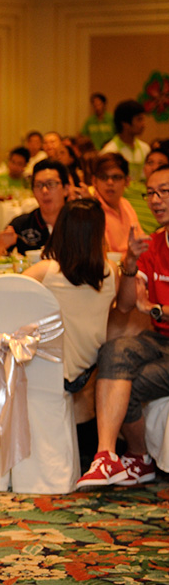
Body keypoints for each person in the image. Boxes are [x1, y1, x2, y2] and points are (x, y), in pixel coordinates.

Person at [73, 165, 169, 488]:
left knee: (128, 382)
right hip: (161, 340)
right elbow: (127, 305)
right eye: (151, 193)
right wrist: (129, 264)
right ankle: (106, 456)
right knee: (113, 352)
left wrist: (157, 309)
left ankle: (139, 456)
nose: (155, 200)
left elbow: (149, 308)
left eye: (164, 192)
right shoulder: (154, 244)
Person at [22, 198, 118, 394]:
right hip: (91, 371)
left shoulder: (46, 271)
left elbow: (7, 295)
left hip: (51, 373)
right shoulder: (111, 272)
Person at [0, 159, 69, 258]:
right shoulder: (23, 224)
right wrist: (2, 245)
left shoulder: (78, 222)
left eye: (51, 184)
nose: (44, 191)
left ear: (66, 189)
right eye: (38, 185)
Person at [91, 153, 141, 254]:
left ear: (127, 181)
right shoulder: (92, 211)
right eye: (103, 177)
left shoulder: (126, 204)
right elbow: (103, 255)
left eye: (116, 177)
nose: (110, 182)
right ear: (94, 181)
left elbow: (140, 240)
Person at [101, 100, 150, 184]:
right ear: (125, 123)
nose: (143, 124)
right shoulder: (110, 151)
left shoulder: (145, 148)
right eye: (139, 119)